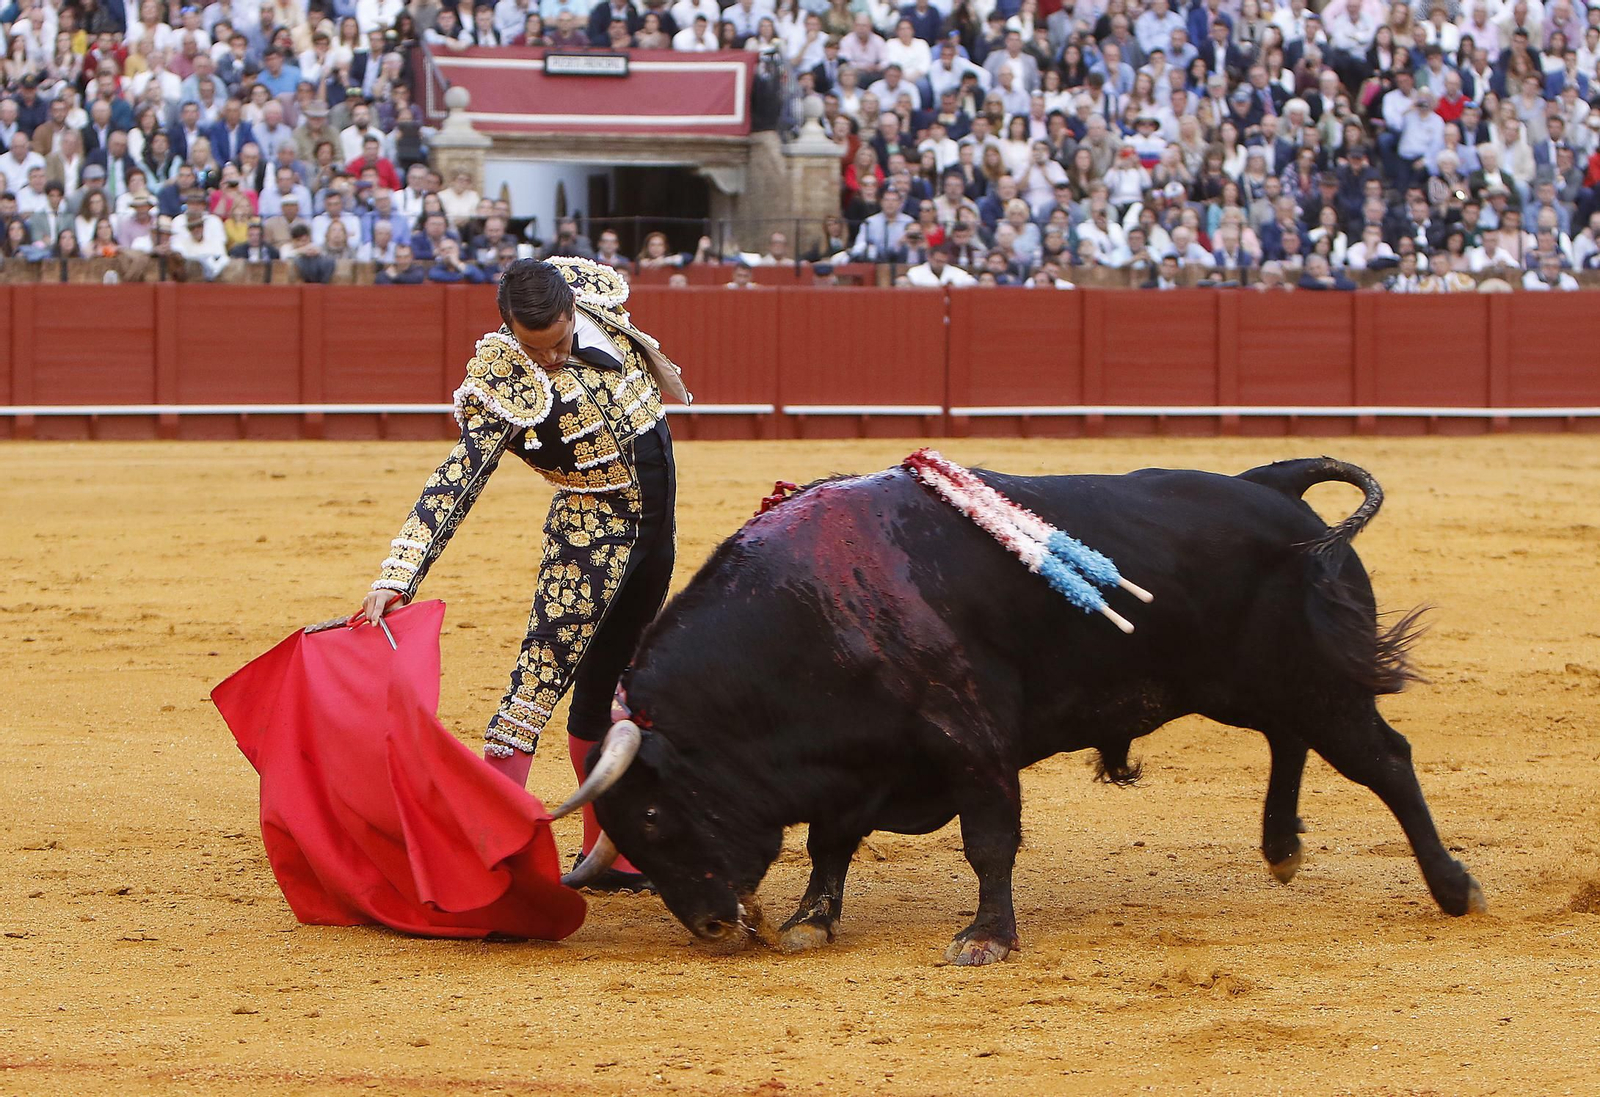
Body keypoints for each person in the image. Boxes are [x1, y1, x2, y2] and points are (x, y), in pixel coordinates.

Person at [355, 258, 689, 890]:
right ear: (508, 328)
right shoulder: (504, 380)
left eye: (559, 343)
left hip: (656, 540)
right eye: (534, 349)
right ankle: (487, 858)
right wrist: (399, 573)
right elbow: (457, 480)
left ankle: (610, 857)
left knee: (612, 688)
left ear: (573, 309)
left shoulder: (597, 305)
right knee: (532, 693)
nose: (550, 360)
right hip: (587, 545)